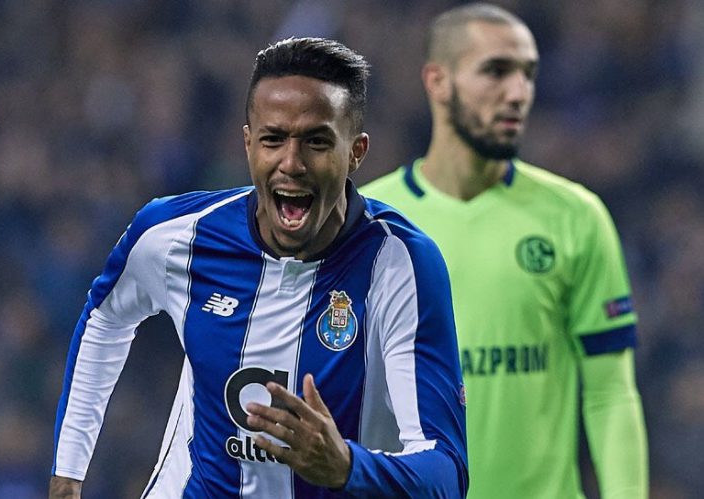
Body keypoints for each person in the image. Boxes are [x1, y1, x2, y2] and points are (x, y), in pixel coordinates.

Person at [48, 37, 468, 498]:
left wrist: (348, 467)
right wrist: (68, 474)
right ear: (248, 143)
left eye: (316, 142)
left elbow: (446, 473)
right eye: (273, 139)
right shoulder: (176, 235)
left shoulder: (399, 265)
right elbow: (105, 318)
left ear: (356, 152)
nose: (292, 163)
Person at [360, 4, 648, 499]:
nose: (518, 93)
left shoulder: (576, 217)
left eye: (528, 74)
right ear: (438, 81)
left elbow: (610, 392)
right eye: (496, 71)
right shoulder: (370, 222)